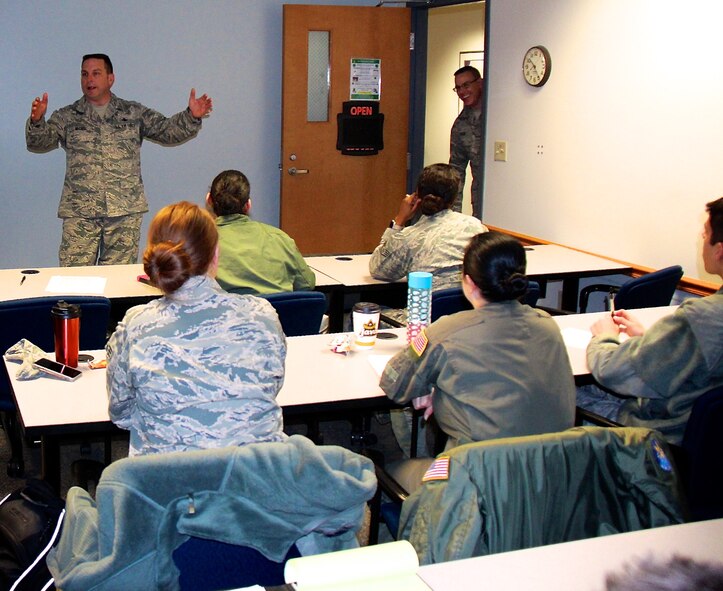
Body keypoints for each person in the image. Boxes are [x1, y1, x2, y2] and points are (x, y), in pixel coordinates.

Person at [106, 201, 286, 456]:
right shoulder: (263, 315)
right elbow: (270, 389)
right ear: (215, 255)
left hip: (166, 486)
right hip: (253, 482)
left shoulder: (136, 326)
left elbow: (120, 414)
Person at [380, 231, 576, 453]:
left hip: (480, 477)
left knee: (398, 472)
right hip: (554, 473)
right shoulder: (547, 325)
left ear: (468, 282)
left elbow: (393, 382)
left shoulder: (444, 331)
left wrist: (436, 389)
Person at [26, 53, 213, 267]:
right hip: (81, 214)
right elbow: (38, 143)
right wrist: (37, 120)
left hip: (124, 211)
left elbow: (167, 131)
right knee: (73, 279)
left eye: (96, 74)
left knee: (116, 282)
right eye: (84, 74)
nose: (89, 80)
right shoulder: (67, 116)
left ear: (110, 79)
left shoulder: (132, 112)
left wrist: (192, 115)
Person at [578, 197, 723, 445]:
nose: (701, 234)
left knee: (563, 389)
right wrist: (650, 339)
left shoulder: (701, 318)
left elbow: (614, 371)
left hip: (660, 435)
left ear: (719, 250)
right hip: (707, 442)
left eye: (706, 231)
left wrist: (605, 336)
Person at [369, 162, 486, 296]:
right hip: (468, 312)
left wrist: (400, 220)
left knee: (364, 313)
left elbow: (378, 269)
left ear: (417, 195)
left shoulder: (410, 237)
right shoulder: (476, 227)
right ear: (454, 198)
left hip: (425, 314)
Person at [205, 169, 315, 295]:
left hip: (230, 313)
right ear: (248, 205)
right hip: (278, 313)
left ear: (209, 200)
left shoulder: (201, 244)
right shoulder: (279, 238)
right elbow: (307, 284)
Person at [449, 65, 483, 216]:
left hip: (507, 196)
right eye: (458, 88)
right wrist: (454, 215)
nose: (462, 92)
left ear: (480, 83)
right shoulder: (460, 125)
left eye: (466, 85)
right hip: (480, 199)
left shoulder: (498, 115)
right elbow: (456, 171)